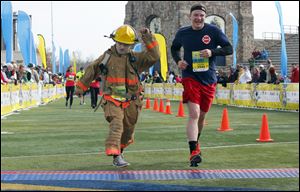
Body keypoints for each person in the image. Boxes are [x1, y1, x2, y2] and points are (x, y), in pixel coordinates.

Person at [75, 25, 160, 167]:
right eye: (120, 43)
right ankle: (114, 151)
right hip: (112, 99)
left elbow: (154, 56)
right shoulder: (107, 57)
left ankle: (119, 151)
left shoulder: (135, 58)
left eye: (126, 44)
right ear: (115, 41)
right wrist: (81, 87)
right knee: (117, 123)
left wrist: (147, 37)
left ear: (131, 44)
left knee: (128, 131)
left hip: (132, 101)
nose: (122, 46)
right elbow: (93, 69)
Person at [171, 4, 233, 167]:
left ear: (204, 17)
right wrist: (179, 61)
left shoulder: (213, 31)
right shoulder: (183, 32)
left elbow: (229, 49)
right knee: (194, 113)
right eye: (195, 15)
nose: (198, 18)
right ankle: (193, 151)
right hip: (190, 77)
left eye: (201, 15)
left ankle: (196, 144)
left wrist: (212, 52)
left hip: (209, 78)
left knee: (202, 116)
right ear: (189, 17)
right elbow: (174, 48)